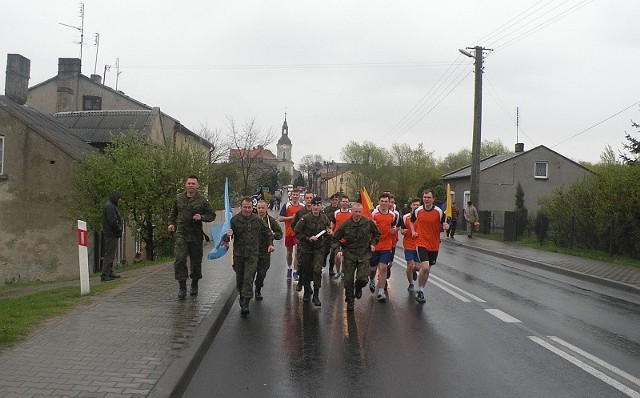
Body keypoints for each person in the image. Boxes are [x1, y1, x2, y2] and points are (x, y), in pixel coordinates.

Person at [168, 175, 216, 300]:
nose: (191, 186)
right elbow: (173, 213)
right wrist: (171, 224)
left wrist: (202, 217)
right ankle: (182, 286)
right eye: (189, 183)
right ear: (185, 184)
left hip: (195, 235)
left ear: (197, 186)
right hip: (181, 234)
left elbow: (212, 215)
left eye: (193, 184)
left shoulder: (202, 200)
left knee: (196, 262)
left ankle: (194, 283)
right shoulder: (179, 198)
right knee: (179, 259)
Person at [226, 197, 275, 315]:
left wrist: (270, 244)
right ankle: (242, 296)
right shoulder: (234, 220)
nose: (247, 210)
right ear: (241, 207)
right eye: (245, 207)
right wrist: (228, 235)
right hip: (238, 255)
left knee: (248, 278)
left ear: (252, 208)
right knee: (240, 279)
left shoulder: (257, 220)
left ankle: (246, 303)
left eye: (249, 207)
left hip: (253, 254)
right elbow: (225, 238)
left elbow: (268, 232)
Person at [333, 203, 380, 312]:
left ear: (362, 212)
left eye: (359, 212)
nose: (357, 214)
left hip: (364, 254)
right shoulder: (346, 224)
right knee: (348, 280)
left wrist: (373, 243)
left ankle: (358, 287)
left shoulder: (367, 222)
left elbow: (377, 234)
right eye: (356, 212)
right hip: (350, 254)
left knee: (363, 279)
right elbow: (335, 239)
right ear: (352, 211)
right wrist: (338, 250)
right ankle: (350, 300)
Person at [410, 189, 449, 304]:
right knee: (425, 267)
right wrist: (413, 231)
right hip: (421, 242)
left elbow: (445, 225)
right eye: (425, 197)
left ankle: (421, 290)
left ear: (433, 199)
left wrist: (447, 226)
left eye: (429, 197)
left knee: (427, 270)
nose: (426, 199)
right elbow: (412, 221)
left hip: (434, 244)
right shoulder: (418, 210)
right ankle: (420, 291)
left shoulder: (439, 212)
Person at [293, 197, 333, 306]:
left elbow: (326, 229)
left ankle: (316, 295)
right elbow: (297, 232)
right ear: (311, 206)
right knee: (306, 271)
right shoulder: (305, 218)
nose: (316, 207)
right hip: (306, 249)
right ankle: (306, 292)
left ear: (320, 206)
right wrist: (307, 238)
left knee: (317, 271)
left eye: (318, 205)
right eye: (314, 205)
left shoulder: (324, 218)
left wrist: (328, 231)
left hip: (318, 249)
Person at [369, 193, 397, 302]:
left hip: (386, 245)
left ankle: (381, 291)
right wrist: (372, 224)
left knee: (384, 268)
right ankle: (371, 279)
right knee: (372, 268)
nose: (384, 203)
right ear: (379, 202)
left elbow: (394, 226)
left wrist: (394, 230)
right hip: (375, 244)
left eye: (386, 201)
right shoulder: (374, 214)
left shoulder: (392, 215)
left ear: (389, 202)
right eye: (382, 201)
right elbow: (368, 227)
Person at [255, 200, 283, 300]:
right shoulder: (252, 219)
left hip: (265, 251)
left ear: (266, 208)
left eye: (263, 208)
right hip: (252, 251)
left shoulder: (270, 221)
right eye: (259, 208)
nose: (261, 210)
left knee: (262, 272)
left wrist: (273, 235)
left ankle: (258, 288)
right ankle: (246, 295)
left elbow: (280, 234)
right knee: (250, 273)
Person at [278, 189, 303, 281]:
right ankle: (289, 269)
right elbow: (280, 218)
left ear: (299, 196)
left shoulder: (302, 206)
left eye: (297, 195)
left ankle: (295, 272)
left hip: (298, 233)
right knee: (289, 252)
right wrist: (291, 218)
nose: (295, 196)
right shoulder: (287, 206)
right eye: (294, 195)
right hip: (289, 232)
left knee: (297, 253)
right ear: (291, 196)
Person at [101, 190, 123, 282]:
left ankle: (109, 272)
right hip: (111, 234)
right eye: (119, 198)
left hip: (111, 233)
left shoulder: (110, 205)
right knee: (109, 254)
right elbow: (112, 221)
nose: (120, 200)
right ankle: (105, 274)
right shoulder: (110, 207)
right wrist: (119, 229)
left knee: (111, 254)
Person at [400, 198, 421, 292]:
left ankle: (414, 271)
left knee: (417, 267)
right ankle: (411, 284)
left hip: (420, 244)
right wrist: (403, 231)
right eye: (414, 205)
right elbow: (402, 229)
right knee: (410, 265)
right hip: (408, 243)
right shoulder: (405, 217)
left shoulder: (422, 216)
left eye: (417, 205)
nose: (416, 206)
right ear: (411, 206)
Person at [332, 195, 352, 278]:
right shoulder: (336, 213)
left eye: (346, 202)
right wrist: (332, 231)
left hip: (347, 238)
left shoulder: (351, 213)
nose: (345, 203)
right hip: (338, 238)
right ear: (340, 202)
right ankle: (338, 271)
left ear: (348, 203)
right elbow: (333, 223)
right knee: (337, 256)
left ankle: (343, 271)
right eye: (343, 201)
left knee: (345, 257)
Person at [323, 193, 340, 276]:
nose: (334, 202)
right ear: (331, 201)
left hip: (336, 235)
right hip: (327, 233)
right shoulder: (326, 209)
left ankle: (331, 269)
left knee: (333, 253)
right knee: (326, 251)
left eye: (336, 200)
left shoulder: (340, 210)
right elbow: (323, 219)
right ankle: (323, 260)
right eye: (333, 200)